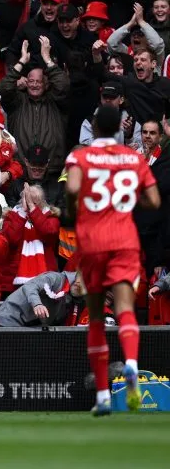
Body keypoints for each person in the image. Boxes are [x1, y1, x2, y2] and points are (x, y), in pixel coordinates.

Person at [64, 105, 160, 416]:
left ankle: (103, 395)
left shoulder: (80, 156)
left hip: (93, 242)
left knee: (95, 317)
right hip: (124, 240)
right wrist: (128, 200)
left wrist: (73, 207)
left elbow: (74, 188)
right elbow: (155, 201)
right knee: (125, 309)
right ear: (120, 128)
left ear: (94, 126)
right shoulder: (133, 158)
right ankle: (131, 364)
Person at [0, 271, 84, 327]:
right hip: (10, 319)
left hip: (32, 325)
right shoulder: (55, 278)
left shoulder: (78, 299)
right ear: (77, 281)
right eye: (80, 288)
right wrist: (37, 304)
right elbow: (30, 286)